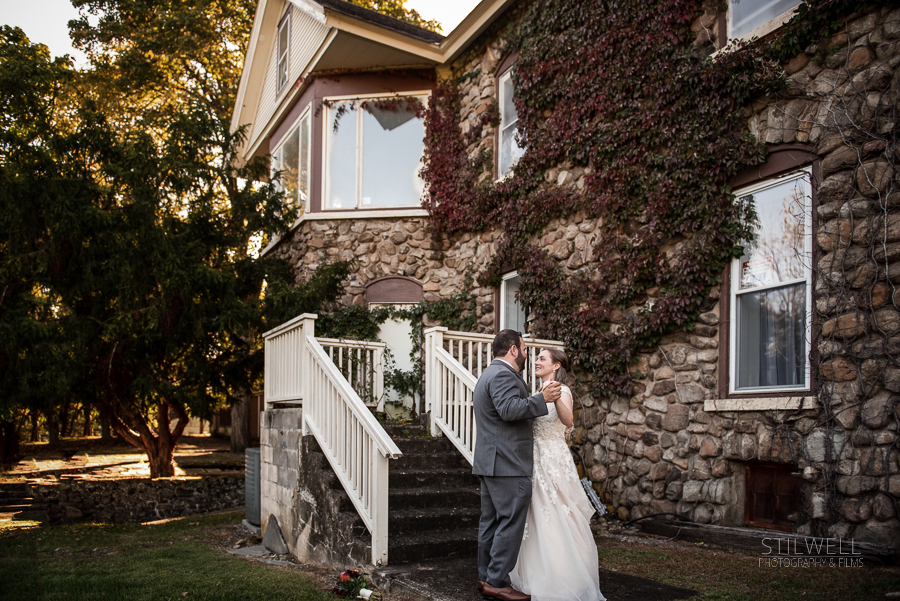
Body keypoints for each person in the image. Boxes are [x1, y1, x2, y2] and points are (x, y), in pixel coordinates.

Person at [509, 348, 606, 601]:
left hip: (553, 459)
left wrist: (555, 399)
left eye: (543, 359)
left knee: (559, 512)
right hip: (533, 458)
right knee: (535, 514)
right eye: (538, 358)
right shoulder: (535, 392)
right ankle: (536, 574)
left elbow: (566, 421)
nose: (537, 362)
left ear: (556, 365)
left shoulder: (562, 390)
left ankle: (565, 577)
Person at [473, 330, 562, 601]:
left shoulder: (488, 374)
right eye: (523, 349)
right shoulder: (502, 374)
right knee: (509, 522)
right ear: (513, 349)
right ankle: (497, 581)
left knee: (491, 522)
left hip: (492, 462)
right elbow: (509, 410)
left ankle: (486, 577)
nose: (526, 354)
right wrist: (541, 400)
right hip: (508, 463)